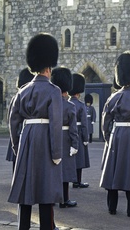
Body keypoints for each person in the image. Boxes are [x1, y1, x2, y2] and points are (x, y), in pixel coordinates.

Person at [8, 33, 63, 230]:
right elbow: (55, 124)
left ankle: (23, 226)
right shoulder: (53, 91)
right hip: (45, 140)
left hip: (26, 138)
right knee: (46, 189)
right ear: (48, 68)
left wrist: (17, 145)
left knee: (26, 188)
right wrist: (57, 153)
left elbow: (13, 121)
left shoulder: (22, 91)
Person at [100, 51, 130, 217]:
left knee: (113, 171)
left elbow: (105, 121)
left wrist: (108, 138)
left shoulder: (113, 97)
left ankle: (111, 207)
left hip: (115, 135)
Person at [51, 67, 79, 208]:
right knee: (65, 172)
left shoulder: (51, 103)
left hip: (53, 137)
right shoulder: (70, 106)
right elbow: (73, 128)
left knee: (53, 170)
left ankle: (53, 198)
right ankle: (64, 199)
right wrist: (75, 144)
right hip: (66, 139)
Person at [5, 68, 34, 173]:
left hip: (16, 132)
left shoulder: (16, 96)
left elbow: (10, 118)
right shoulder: (24, 95)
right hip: (22, 130)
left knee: (16, 162)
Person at [68, 73, 90, 188]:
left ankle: (71, 180)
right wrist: (86, 138)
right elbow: (84, 124)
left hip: (68, 133)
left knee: (70, 158)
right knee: (79, 159)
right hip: (79, 133)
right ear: (78, 93)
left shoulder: (67, 103)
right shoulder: (81, 105)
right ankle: (77, 181)